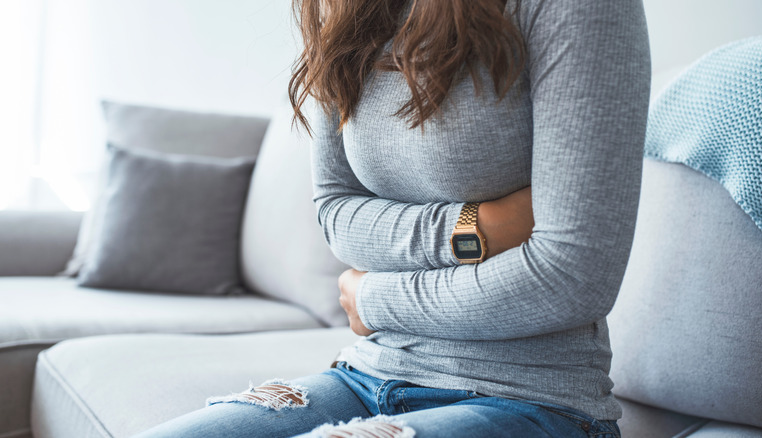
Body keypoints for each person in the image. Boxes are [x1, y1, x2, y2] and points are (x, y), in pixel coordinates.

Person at [134, 0, 650, 436]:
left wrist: (372, 298)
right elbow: (336, 211)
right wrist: (475, 226)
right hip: (366, 373)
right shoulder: (344, 11)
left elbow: (570, 278)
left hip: (533, 399)